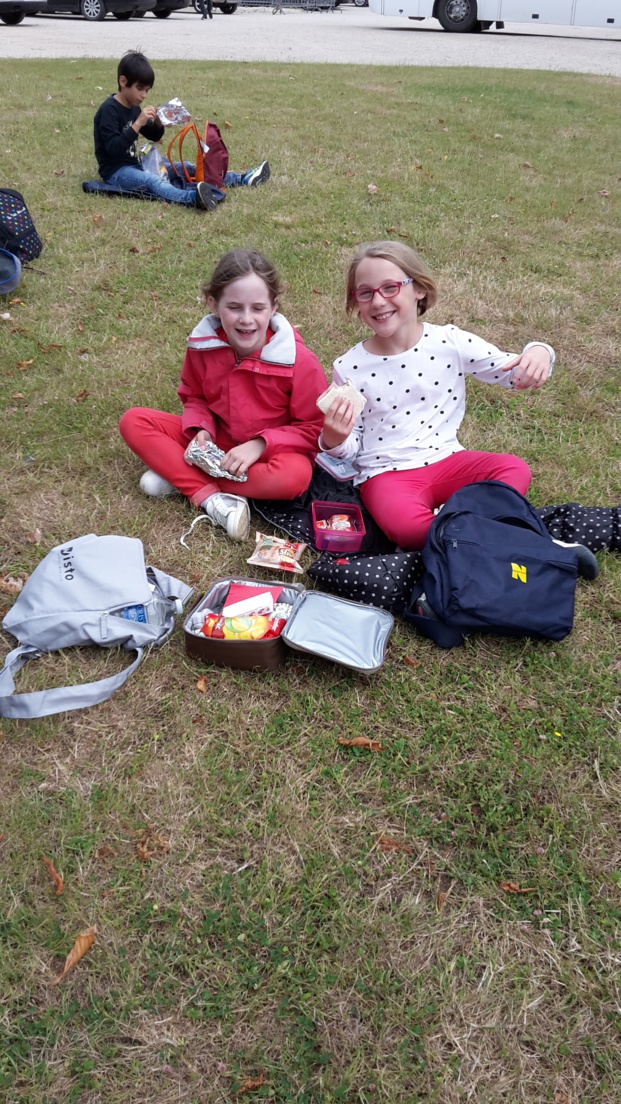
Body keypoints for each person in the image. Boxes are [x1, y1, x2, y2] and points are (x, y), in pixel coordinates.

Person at [319, 241, 556, 551]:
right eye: (365, 293)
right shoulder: (349, 367)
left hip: (447, 460)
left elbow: (514, 373)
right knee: (408, 529)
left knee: (514, 469)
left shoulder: (449, 342)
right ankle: (482, 530)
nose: (378, 302)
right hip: (386, 475)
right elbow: (352, 448)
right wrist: (334, 439)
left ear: (418, 289)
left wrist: (540, 351)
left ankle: (452, 530)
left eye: (390, 287)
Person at [119, 249, 327, 541]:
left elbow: (314, 428)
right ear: (213, 305)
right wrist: (201, 430)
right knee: (134, 420)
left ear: (273, 307)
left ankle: (184, 480)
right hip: (219, 442)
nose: (246, 319)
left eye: (257, 308)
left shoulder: (299, 360)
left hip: (270, 453)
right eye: (234, 307)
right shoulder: (202, 347)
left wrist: (259, 444)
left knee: (296, 477)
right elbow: (195, 396)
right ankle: (208, 496)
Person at [93, 52, 270, 211]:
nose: (144, 95)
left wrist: (159, 123)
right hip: (117, 171)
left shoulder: (133, 106)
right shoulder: (109, 110)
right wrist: (137, 123)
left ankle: (240, 178)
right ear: (123, 82)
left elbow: (153, 136)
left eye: (147, 90)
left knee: (186, 167)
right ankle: (194, 198)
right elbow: (113, 148)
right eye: (140, 89)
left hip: (138, 162)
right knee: (153, 181)